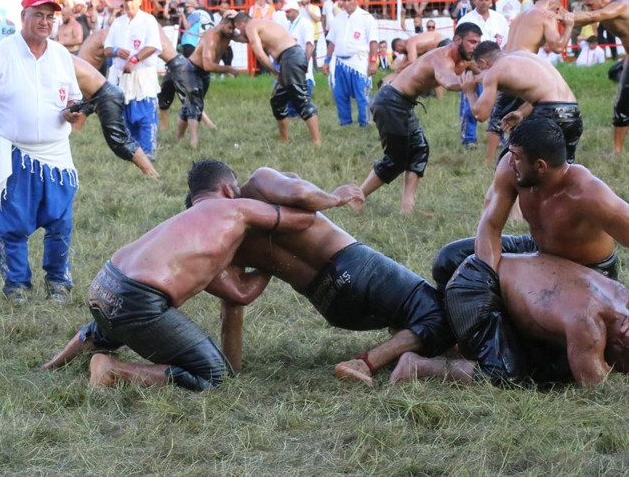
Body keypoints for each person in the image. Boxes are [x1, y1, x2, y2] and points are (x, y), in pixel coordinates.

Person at [42, 160, 317, 390]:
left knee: (118, 320)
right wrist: (270, 255)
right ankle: (113, 369)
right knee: (213, 374)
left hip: (103, 286)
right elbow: (302, 221)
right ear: (227, 189)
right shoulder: (230, 212)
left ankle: (52, 365)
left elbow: (237, 293)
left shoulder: (184, 225)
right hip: (137, 301)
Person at [214, 168, 454, 386]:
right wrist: (336, 197)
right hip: (355, 267)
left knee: (418, 320)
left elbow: (235, 302)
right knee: (439, 315)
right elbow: (300, 194)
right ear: (228, 186)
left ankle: (416, 349)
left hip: (331, 305)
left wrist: (231, 372)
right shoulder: (257, 183)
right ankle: (364, 363)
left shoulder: (231, 245)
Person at [0, 0, 82, 306]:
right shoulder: (0, 54)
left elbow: (72, 98)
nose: (45, 22)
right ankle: (17, 285)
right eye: (38, 15)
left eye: (50, 16)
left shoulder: (60, 55)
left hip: (56, 154)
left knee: (60, 222)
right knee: (12, 223)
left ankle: (58, 281)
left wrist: (73, 110)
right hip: (15, 153)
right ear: (23, 17)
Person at [431, 117, 628, 299]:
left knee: (538, 315)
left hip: (589, 271)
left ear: (540, 166)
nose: (508, 161)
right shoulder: (511, 170)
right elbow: (490, 227)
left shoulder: (588, 193)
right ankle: (445, 320)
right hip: (540, 251)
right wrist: (486, 282)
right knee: (450, 258)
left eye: (516, 156)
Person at [391, 253, 629, 386]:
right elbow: (596, 387)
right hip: (476, 281)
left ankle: (450, 346)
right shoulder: (588, 323)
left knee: (554, 370)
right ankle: (416, 366)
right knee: (507, 374)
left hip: (504, 276)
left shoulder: (621, 294)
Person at [357, 23, 482, 214]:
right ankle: (356, 197)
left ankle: (407, 208)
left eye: (478, 42)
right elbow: (448, 81)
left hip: (402, 103)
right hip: (390, 102)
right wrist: (469, 84)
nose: (475, 46)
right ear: (457, 40)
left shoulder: (466, 58)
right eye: (472, 42)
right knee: (396, 160)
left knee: (419, 151)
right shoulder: (442, 57)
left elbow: (487, 70)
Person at [482, 0, 576, 160]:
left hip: (505, 63)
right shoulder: (546, 16)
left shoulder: (521, 15)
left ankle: (500, 156)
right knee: (513, 115)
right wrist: (569, 26)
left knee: (507, 114)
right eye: (557, 10)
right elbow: (557, 47)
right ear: (554, 6)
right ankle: (495, 159)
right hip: (520, 69)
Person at [461, 42, 583, 163]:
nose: (482, 73)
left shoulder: (495, 71)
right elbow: (546, 94)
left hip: (548, 112)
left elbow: (481, 115)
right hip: (573, 113)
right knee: (563, 167)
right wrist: (521, 112)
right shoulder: (525, 57)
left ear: (483, 62)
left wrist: (469, 92)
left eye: (481, 69)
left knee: (510, 163)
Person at [230, 12, 321, 144]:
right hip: (291, 57)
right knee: (277, 101)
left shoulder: (251, 26)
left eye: (238, 28)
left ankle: (317, 142)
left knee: (301, 99)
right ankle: (283, 140)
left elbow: (259, 54)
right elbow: (244, 38)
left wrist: (274, 71)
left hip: (291, 57)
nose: (239, 31)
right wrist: (229, 35)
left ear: (241, 24)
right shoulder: (260, 23)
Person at [65, 54, 159, 178]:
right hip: (93, 94)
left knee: (119, 141)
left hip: (106, 94)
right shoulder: (57, 55)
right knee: (64, 129)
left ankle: (152, 175)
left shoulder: (57, 57)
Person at [103, 0, 162, 160]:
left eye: (131, 0)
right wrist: (116, 51)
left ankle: (148, 152)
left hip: (141, 75)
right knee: (124, 116)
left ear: (139, 1)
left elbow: (153, 46)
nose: (128, 4)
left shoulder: (148, 20)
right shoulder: (118, 23)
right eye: (125, 0)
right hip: (121, 76)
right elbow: (106, 48)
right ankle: (131, 153)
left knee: (145, 115)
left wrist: (135, 59)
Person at [572, 0, 629, 153]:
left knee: (622, 104)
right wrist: (557, 16)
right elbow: (586, 18)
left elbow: (592, 15)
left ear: (602, 0)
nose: (588, 8)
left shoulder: (621, 6)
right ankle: (616, 151)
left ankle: (616, 152)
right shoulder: (604, 8)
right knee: (615, 76)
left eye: (590, 4)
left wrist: (565, 16)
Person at [169, 16, 239, 147]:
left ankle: (179, 139)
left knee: (189, 105)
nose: (231, 31)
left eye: (233, 29)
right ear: (222, 23)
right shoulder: (211, 37)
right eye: (230, 28)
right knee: (195, 104)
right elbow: (208, 65)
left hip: (204, 73)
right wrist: (228, 68)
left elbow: (242, 37)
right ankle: (194, 142)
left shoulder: (228, 34)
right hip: (191, 70)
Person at [456, 0, 509, 149]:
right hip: (473, 66)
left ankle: (498, 137)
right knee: (470, 102)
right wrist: (474, 68)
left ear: (491, 0)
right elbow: (461, 48)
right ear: (474, 0)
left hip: (496, 68)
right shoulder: (466, 20)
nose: (484, 2)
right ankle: (468, 138)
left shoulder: (499, 19)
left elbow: (506, 44)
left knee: (498, 105)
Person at [322, 0, 378, 128]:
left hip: (359, 60)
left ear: (355, 0)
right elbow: (332, 42)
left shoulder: (367, 18)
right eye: (344, 0)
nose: (346, 3)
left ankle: (365, 122)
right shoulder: (338, 19)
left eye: (349, 0)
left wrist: (372, 61)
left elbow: (373, 41)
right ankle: (345, 122)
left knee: (362, 94)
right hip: (340, 61)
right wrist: (327, 60)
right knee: (340, 94)